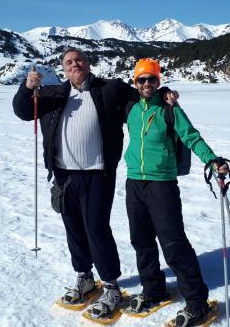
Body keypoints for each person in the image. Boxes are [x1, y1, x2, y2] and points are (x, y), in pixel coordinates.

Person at [12, 49, 178, 319]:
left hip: (97, 174)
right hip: (64, 175)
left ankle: (111, 284)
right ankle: (85, 276)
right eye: (69, 62)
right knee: (73, 228)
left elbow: (143, 97)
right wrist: (26, 87)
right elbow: (22, 111)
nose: (74, 64)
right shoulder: (52, 94)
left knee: (96, 228)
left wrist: (164, 92)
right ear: (63, 69)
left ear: (88, 64)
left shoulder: (110, 89)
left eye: (79, 60)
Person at [123, 58, 230, 327]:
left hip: (162, 184)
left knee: (173, 245)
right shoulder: (131, 108)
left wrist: (213, 160)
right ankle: (154, 289)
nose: (147, 84)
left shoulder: (170, 109)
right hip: (134, 182)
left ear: (159, 82)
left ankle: (197, 304)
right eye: (142, 79)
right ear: (135, 83)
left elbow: (191, 136)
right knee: (141, 241)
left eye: (152, 79)